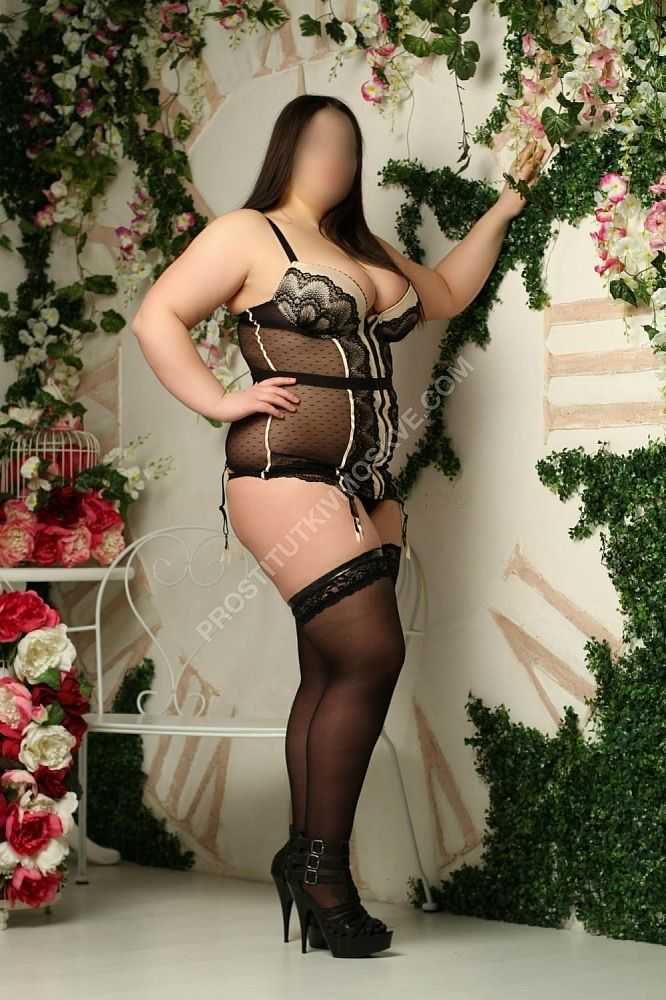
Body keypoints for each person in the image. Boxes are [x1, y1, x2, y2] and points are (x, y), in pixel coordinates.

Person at [131, 94, 546, 957]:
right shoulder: (248, 233)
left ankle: (304, 861)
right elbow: (156, 316)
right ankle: (324, 874)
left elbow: (447, 292)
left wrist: (505, 206)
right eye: (319, 142)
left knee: (329, 670)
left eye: (347, 146)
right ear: (287, 148)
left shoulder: (363, 250)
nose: (336, 159)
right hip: (285, 473)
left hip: (368, 485)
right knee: (371, 655)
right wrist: (220, 401)